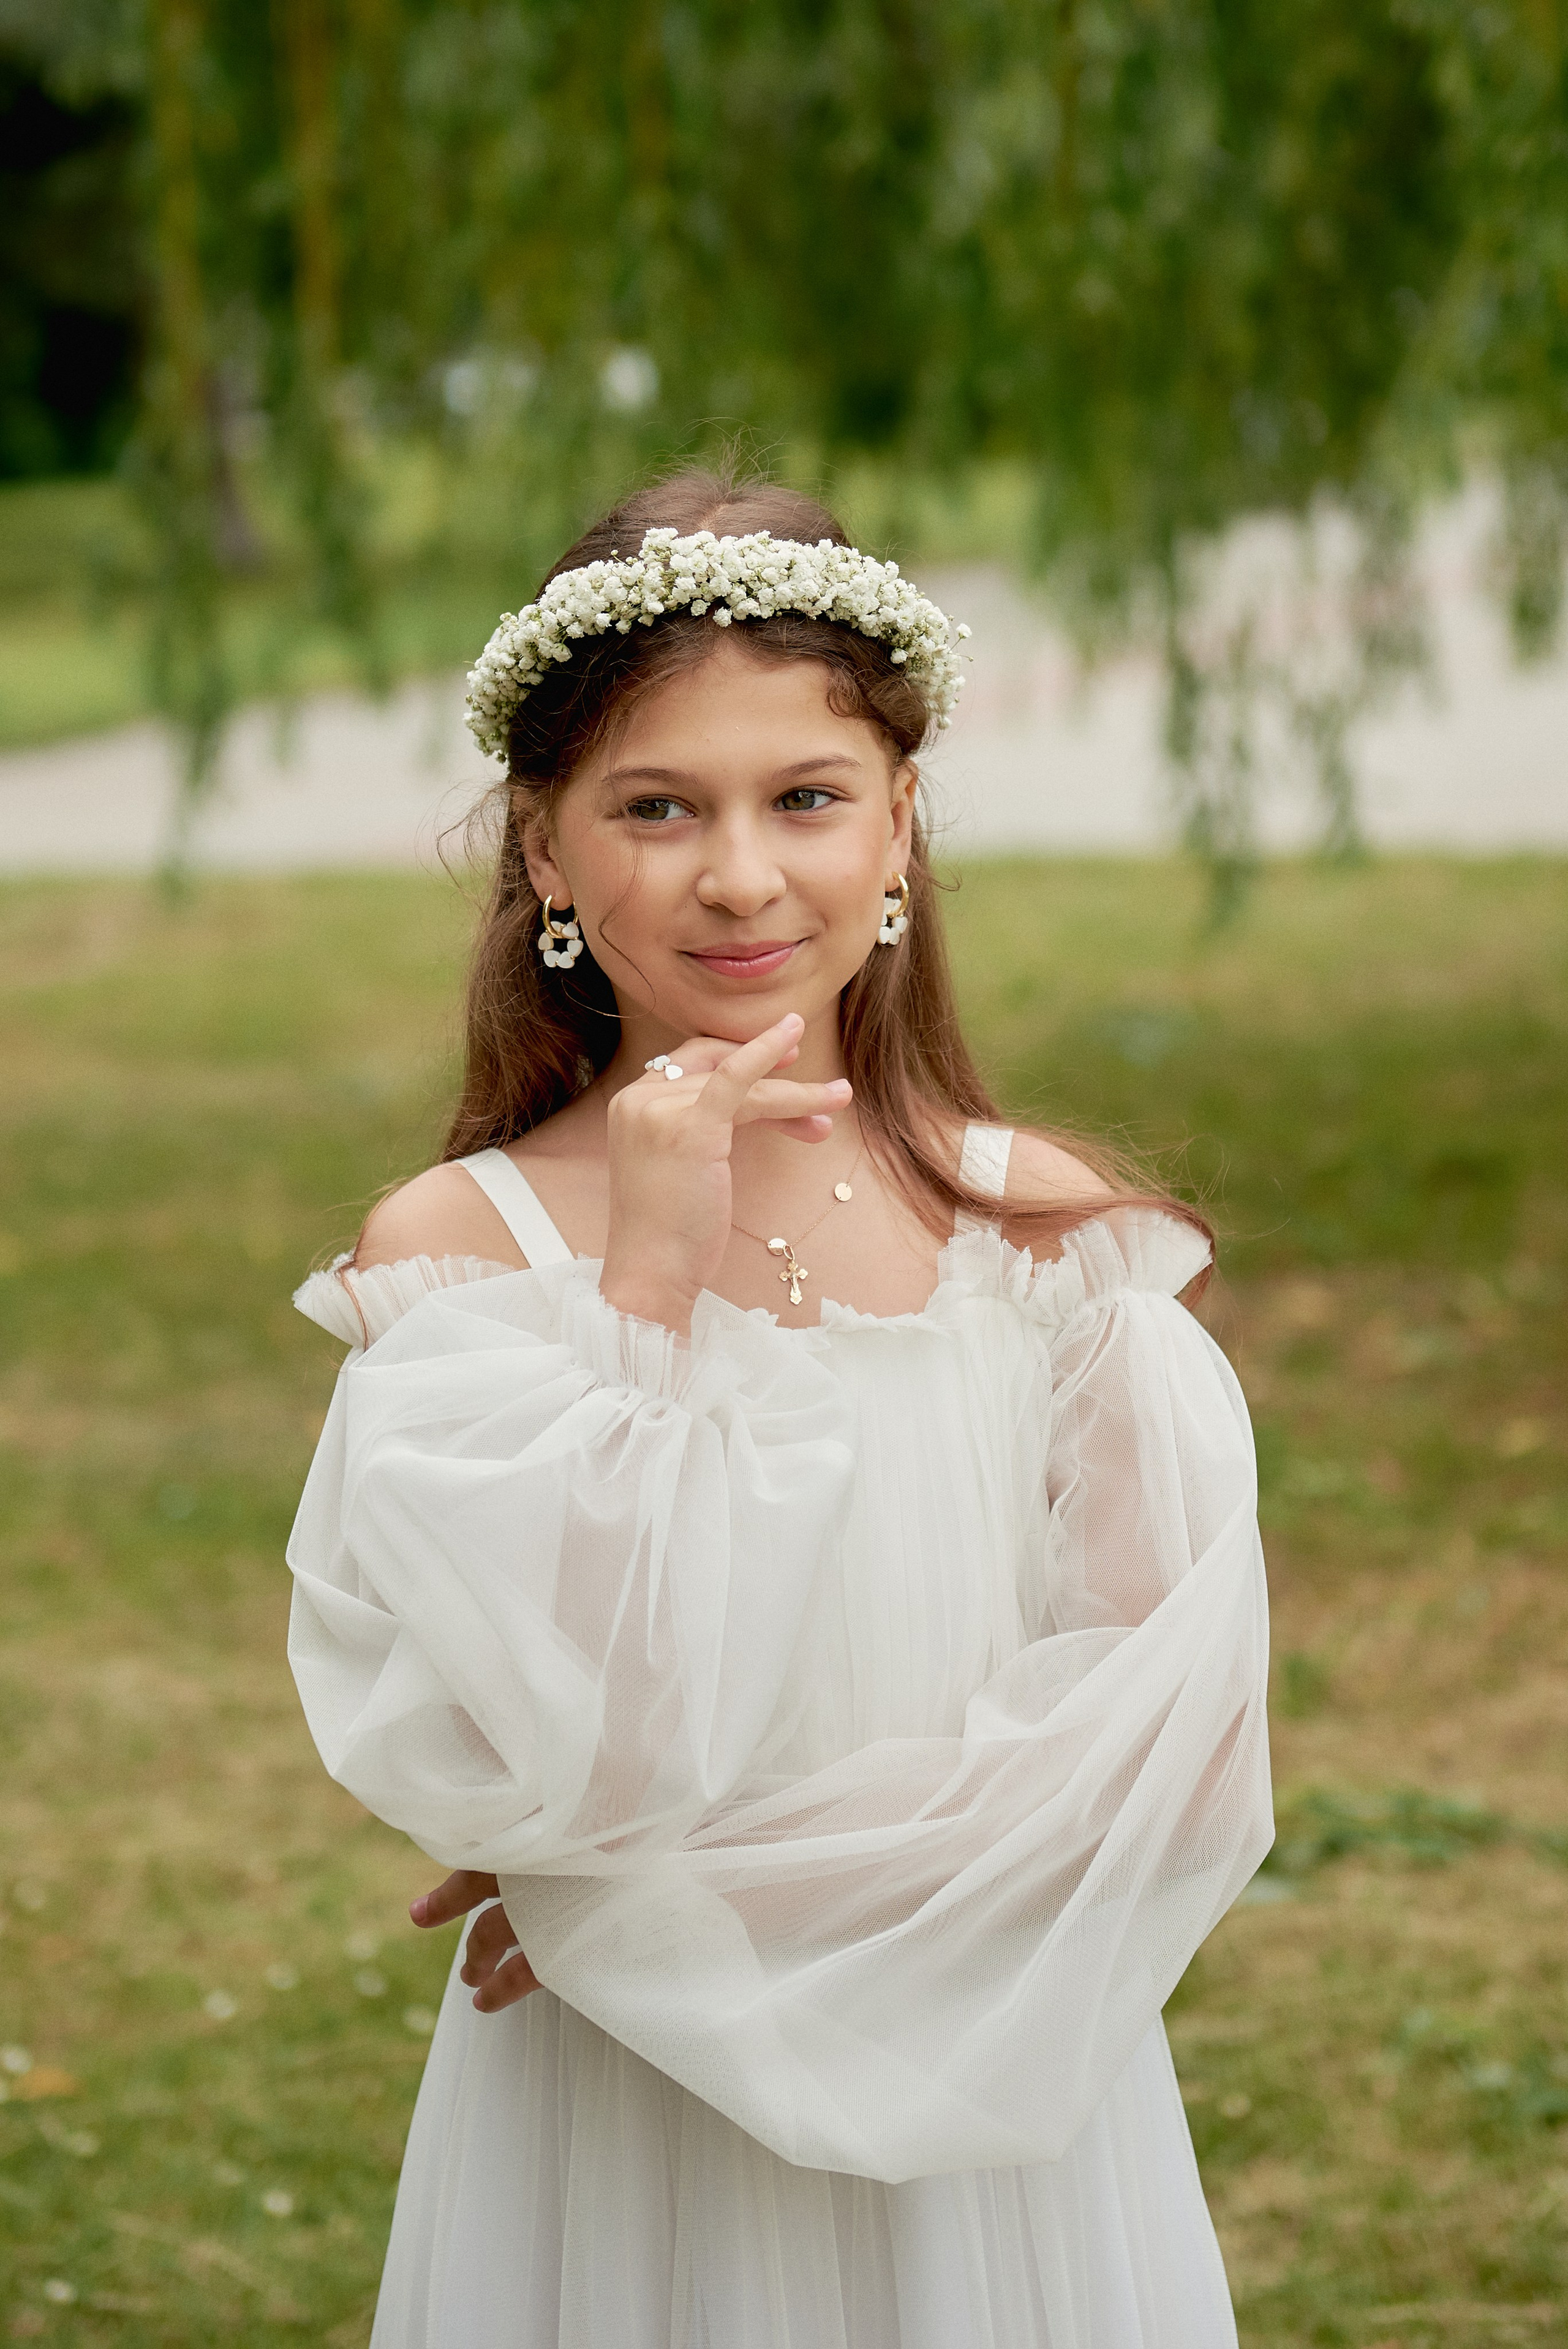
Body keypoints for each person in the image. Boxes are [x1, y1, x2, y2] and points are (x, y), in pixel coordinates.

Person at [287, 467, 1273, 2349]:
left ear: (898, 824)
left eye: (805, 798)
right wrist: (646, 1281)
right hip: (626, 2117)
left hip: (988, 2120)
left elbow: (1169, 1766)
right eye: (656, 807)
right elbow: (564, 1741)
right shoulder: (466, 1261)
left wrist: (669, 1919)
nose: (741, 873)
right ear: (546, 850)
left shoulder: (1059, 1249)